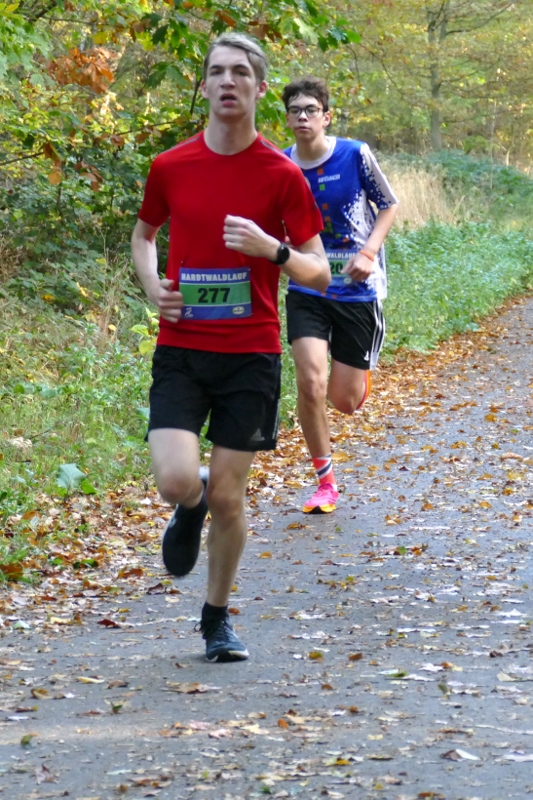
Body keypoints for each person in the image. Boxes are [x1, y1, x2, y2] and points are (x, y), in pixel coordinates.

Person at [131, 35, 330, 663]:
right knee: (177, 481)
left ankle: (216, 619)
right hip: (182, 348)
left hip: (250, 355)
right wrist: (153, 287)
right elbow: (144, 236)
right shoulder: (171, 165)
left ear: (258, 88)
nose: (226, 81)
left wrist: (273, 249)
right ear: (206, 85)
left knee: (229, 495)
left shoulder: (280, 173)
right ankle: (187, 508)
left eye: (240, 72)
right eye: (216, 71)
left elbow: (319, 271)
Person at [282, 76, 399, 514]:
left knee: (343, 401)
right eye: (295, 111)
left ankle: (355, 378)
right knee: (310, 382)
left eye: (311, 110)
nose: (303, 117)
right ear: (288, 119)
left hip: (357, 288)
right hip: (307, 286)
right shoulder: (281, 165)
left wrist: (368, 253)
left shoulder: (354, 154)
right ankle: (325, 482)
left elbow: (388, 205)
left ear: (326, 117)